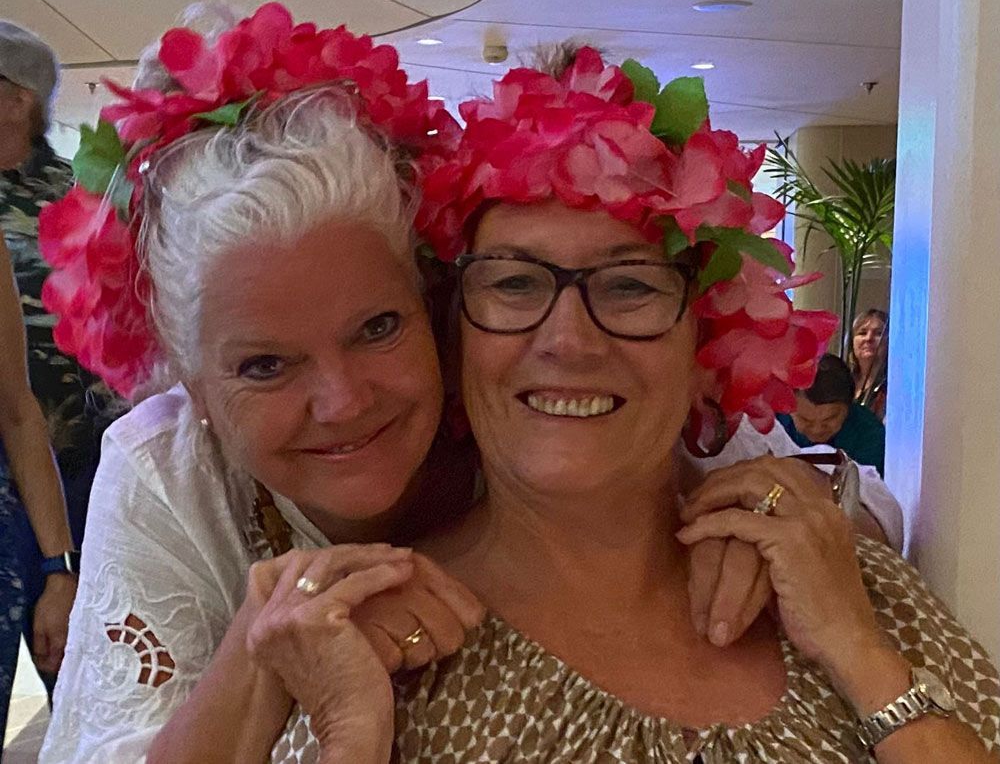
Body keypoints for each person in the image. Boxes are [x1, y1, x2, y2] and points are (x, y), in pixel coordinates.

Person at [266, 47, 997, 761]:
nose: (569, 339)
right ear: (453, 339)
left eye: (630, 287)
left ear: (706, 349)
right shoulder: (380, 657)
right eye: (515, 284)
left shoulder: (848, 590)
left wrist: (859, 654)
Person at [38, 3, 486, 763]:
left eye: (378, 327)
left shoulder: (522, 402)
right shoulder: (162, 467)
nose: (342, 401)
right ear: (192, 387)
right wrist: (260, 649)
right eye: (265, 366)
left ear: (432, 300)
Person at [0, 22, 78, 743]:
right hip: (17, 461)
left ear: (18, 99)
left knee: (81, 673)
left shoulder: (76, 197)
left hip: (71, 463)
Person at [777, 353, 887, 475]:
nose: (817, 430)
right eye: (805, 420)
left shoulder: (870, 436)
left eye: (829, 419)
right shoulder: (771, 425)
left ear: (849, 407)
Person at [849, 308, 889, 420]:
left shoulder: (893, 386)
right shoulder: (844, 382)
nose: (869, 338)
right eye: (862, 333)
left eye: (878, 333)